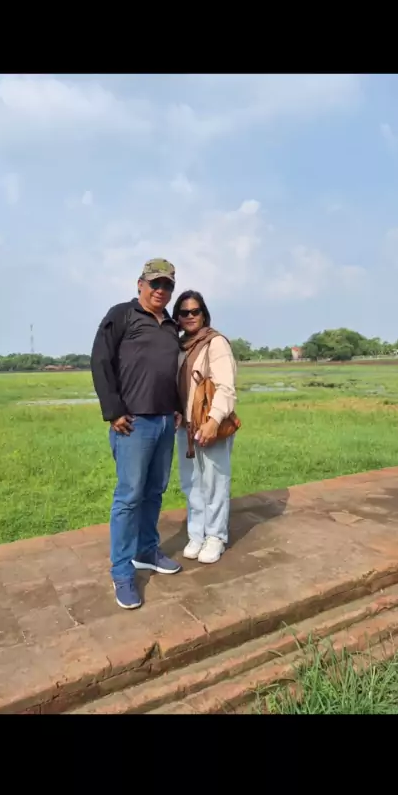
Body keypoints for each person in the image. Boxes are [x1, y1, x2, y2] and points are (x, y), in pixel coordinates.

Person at [91, 259, 183, 610]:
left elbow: (171, 371)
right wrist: (113, 410)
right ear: (140, 284)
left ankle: (146, 550)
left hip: (164, 421)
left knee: (155, 491)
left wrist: (177, 406)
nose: (161, 290)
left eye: (167, 285)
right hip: (133, 423)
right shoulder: (122, 315)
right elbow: (100, 361)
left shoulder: (171, 325)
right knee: (129, 496)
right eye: (155, 283)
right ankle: (121, 571)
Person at [173, 290, 237, 564]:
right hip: (185, 427)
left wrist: (214, 421)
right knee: (191, 483)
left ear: (203, 314)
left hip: (210, 423)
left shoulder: (215, 343)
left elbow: (226, 387)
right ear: (177, 317)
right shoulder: (180, 347)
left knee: (214, 482)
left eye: (195, 311)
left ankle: (216, 536)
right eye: (184, 312)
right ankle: (197, 533)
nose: (190, 316)